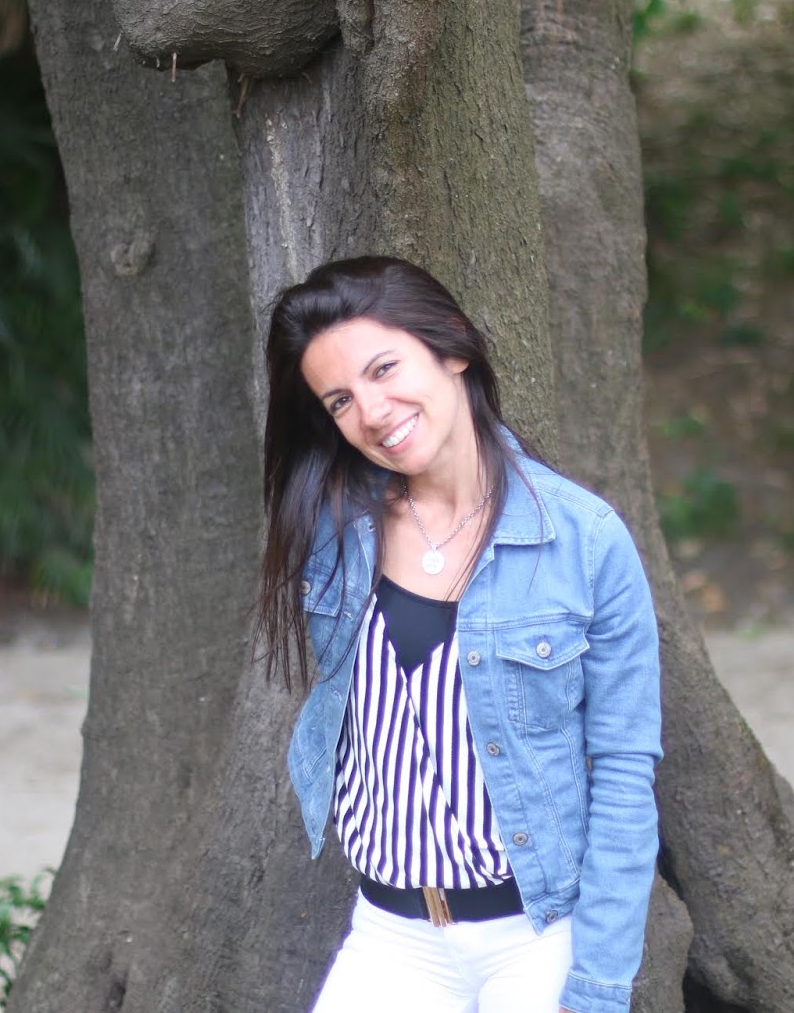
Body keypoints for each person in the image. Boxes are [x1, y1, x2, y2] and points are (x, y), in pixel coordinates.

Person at [255, 256, 662, 1013]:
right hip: (391, 935)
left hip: (538, 935)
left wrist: (598, 985)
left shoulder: (584, 540)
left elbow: (624, 773)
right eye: (340, 399)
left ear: (452, 348)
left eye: (384, 369)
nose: (372, 412)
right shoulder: (335, 534)